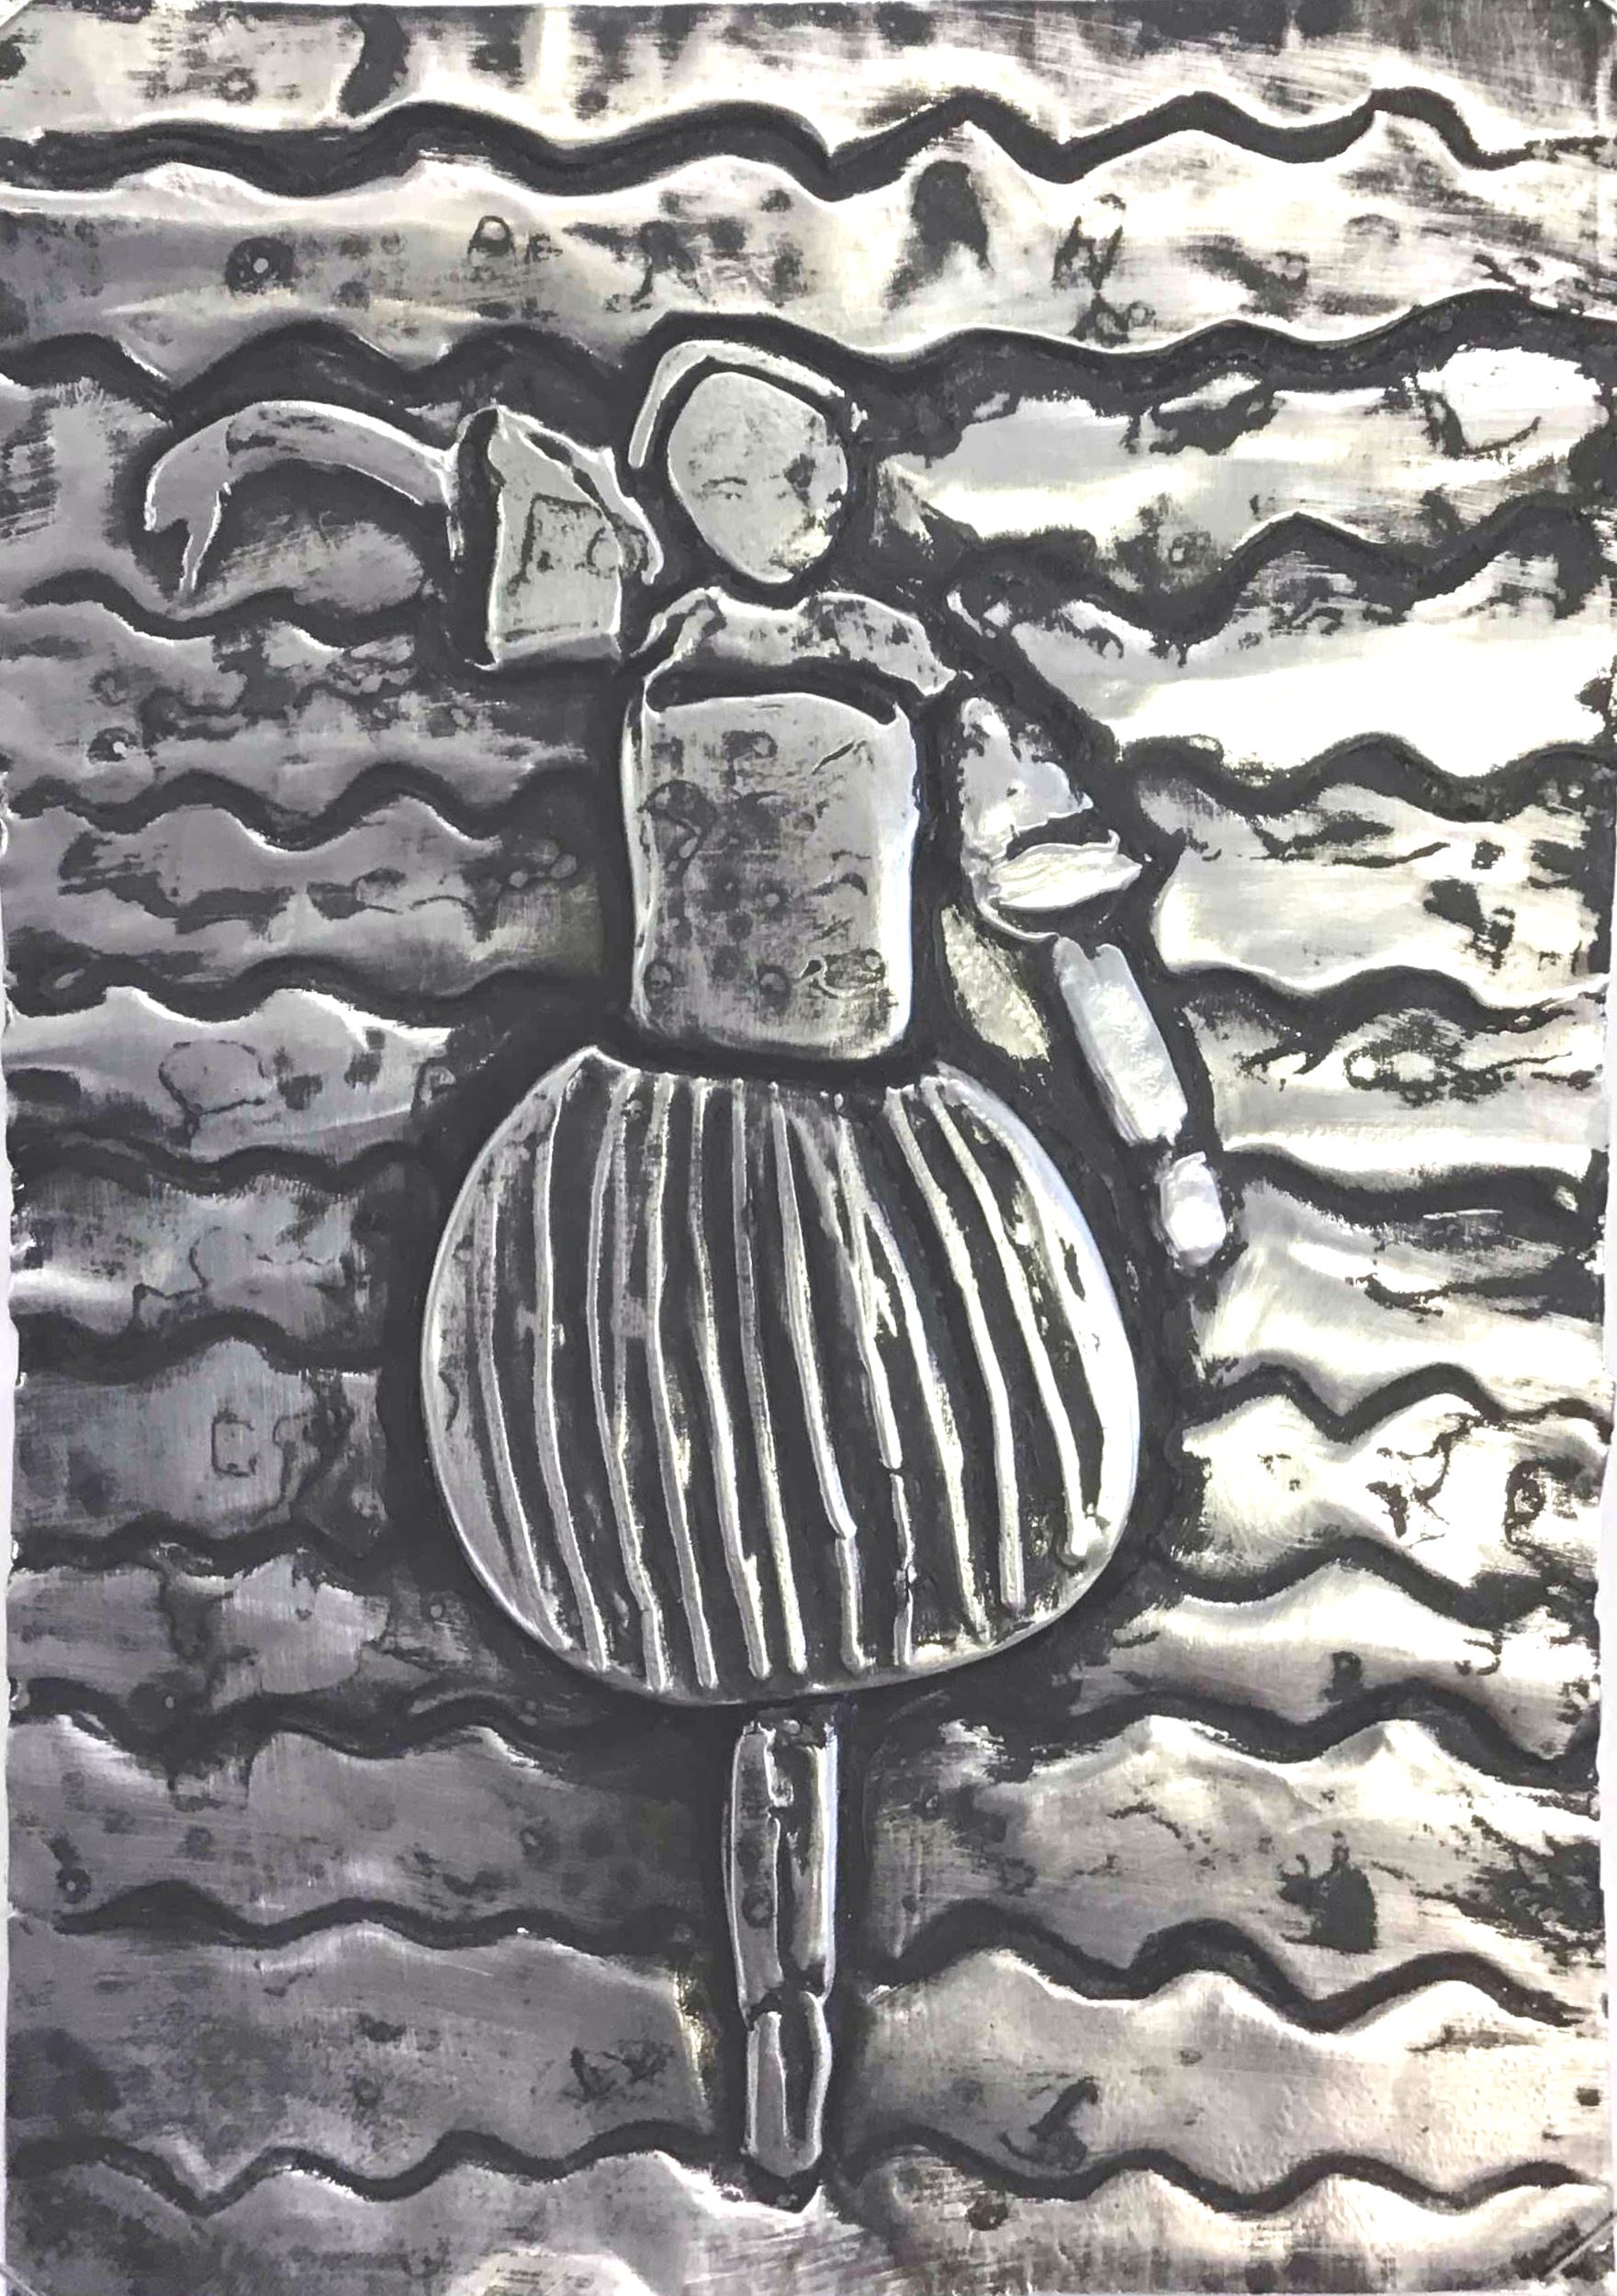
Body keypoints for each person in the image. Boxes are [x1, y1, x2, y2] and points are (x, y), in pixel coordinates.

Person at [144, 336, 1228, 2187]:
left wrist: (1164, 1150)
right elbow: (446, 494)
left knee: (831, 1609)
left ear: (836, 479)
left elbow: (1069, 928)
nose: (774, 496)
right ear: (680, 492)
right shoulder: (643, 635)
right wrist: (269, 433)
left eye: (794, 462)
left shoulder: (918, 678)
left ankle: (796, 2065)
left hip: (880, 1180)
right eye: (727, 465)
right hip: (652, 1193)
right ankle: (771, 2060)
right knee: (713, 1588)